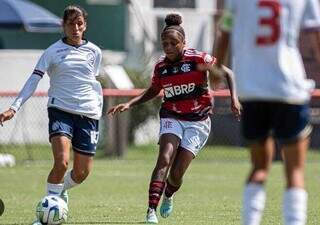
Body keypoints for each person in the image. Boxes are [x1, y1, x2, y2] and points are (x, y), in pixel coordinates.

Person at [108, 13, 241, 224]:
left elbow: (228, 73)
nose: (168, 47)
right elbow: (153, 90)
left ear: (184, 43)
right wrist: (130, 103)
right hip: (172, 115)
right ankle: (150, 211)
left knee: (177, 173)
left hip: (198, 121)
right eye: (164, 44)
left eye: (173, 43)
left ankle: (169, 194)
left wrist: (234, 100)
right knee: (164, 158)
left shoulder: (198, 60)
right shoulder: (161, 67)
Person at [211, 0, 320, 224]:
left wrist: (215, 71)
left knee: (259, 167)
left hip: (252, 88)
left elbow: (225, 32)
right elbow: (315, 35)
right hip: (288, 88)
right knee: (295, 171)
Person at [0, 5, 103, 224]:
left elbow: (92, 81)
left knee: (82, 173)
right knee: (62, 162)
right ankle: (47, 212)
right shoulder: (51, 52)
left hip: (88, 114)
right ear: (63, 26)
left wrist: (97, 110)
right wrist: (14, 107)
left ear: (85, 25)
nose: (75, 28)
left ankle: (59, 190)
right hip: (60, 110)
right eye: (70, 23)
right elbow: (33, 80)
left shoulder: (94, 52)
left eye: (79, 23)